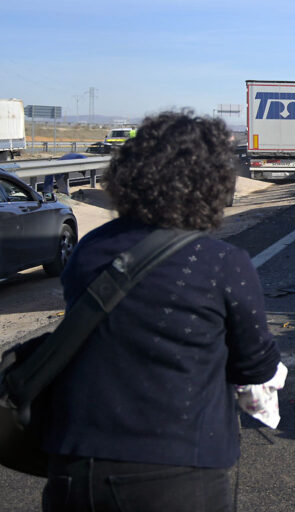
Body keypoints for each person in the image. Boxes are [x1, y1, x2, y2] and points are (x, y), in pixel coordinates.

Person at [41, 111, 282, 512]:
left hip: (76, 465)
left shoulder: (89, 249)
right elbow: (256, 365)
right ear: (211, 184)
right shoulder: (222, 262)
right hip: (177, 469)